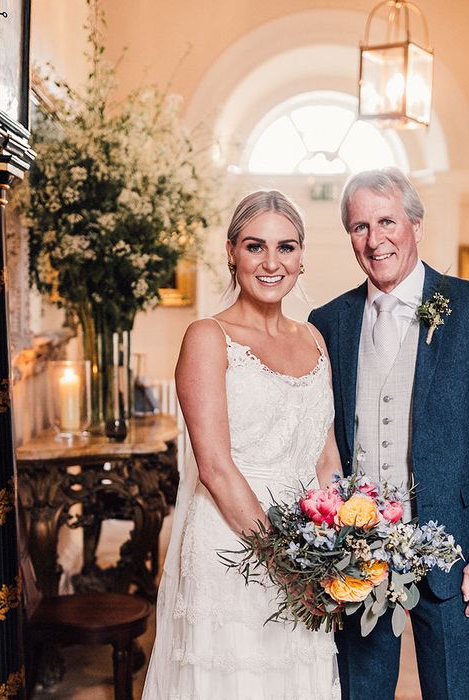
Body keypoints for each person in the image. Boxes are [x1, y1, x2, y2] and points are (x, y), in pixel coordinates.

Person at [309, 168, 469, 700]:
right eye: (359, 226)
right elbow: (322, 437)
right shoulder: (328, 321)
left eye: (387, 221)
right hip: (356, 554)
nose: (374, 239)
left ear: (415, 225)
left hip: (452, 553)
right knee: (359, 692)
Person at [142, 190, 341, 699]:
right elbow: (215, 467)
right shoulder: (207, 336)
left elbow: (325, 457)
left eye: (287, 247)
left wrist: (342, 552)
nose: (272, 263)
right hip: (234, 548)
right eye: (256, 247)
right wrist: (286, 566)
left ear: (301, 256)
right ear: (231, 251)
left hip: (308, 549)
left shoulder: (316, 339)